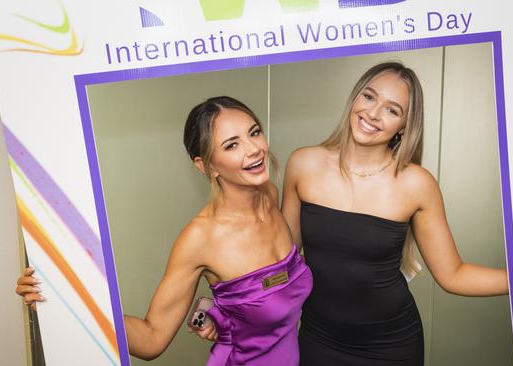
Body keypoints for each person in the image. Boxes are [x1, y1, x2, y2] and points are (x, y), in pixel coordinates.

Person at [278, 62, 513, 365]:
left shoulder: (416, 184)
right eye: (369, 97)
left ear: (405, 125)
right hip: (318, 339)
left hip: (390, 346)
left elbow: (454, 275)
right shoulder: (304, 164)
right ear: (355, 98)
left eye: (392, 110)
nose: (372, 113)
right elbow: (280, 262)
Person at [16, 96, 313, 365]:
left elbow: (274, 281)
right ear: (206, 166)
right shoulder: (200, 239)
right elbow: (152, 337)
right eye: (232, 145)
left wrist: (221, 311)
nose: (254, 149)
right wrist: (71, 297)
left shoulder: (270, 194)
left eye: (254, 132)